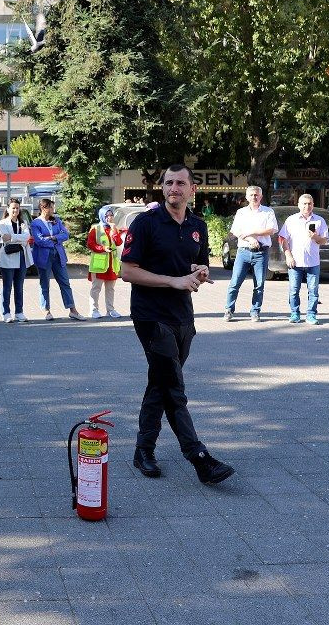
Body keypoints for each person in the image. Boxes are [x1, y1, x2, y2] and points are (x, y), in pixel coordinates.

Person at [121, 163, 235, 485]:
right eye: (169, 183)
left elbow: (200, 264)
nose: (174, 188)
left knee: (160, 383)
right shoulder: (145, 223)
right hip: (150, 316)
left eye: (180, 183)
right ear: (162, 188)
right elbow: (127, 270)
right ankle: (199, 458)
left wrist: (200, 273)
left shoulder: (197, 225)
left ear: (191, 189)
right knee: (173, 386)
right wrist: (173, 281)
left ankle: (143, 450)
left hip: (183, 317)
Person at [223, 185, 278, 323]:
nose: (254, 197)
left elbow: (272, 229)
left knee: (259, 285)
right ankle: (229, 310)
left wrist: (252, 232)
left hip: (261, 252)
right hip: (244, 252)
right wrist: (250, 238)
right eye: (251, 195)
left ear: (261, 196)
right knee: (235, 282)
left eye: (256, 195)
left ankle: (255, 311)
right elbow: (236, 231)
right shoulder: (241, 212)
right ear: (247, 197)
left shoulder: (268, 212)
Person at [30, 199, 86, 321]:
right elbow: (39, 241)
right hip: (44, 257)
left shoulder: (56, 220)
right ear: (44, 208)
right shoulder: (36, 223)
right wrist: (55, 241)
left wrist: (53, 238)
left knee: (65, 282)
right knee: (44, 283)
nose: (53, 210)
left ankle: (73, 310)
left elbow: (65, 235)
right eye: (50, 208)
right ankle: (46, 310)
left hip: (58, 256)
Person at [278, 193, 328, 325]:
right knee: (294, 290)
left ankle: (311, 315)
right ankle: (295, 313)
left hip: (313, 262)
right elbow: (283, 239)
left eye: (309, 203)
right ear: (299, 205)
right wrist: (288, 256)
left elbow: (324, 240)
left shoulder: (319, 221)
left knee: (313, 290)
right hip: (295, 262)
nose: (307, 206)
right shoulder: (291, 220)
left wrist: (315, 237)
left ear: (313, 205)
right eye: (304, 204)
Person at [0, 199, 33, 323]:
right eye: (13, 208)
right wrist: (19, 238)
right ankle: (6, 312)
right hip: (8, 258)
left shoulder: (23, 223)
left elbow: (27, 237)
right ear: (7, 209)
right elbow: (5, 239)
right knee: (7, 286)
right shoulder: (2, 223)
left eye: (17, 208)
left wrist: (12, 237)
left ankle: (19, 312)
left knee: (19, 286)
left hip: (21, 257)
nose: (15, 210)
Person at [86, 205, 123, 318]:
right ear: (102, 216)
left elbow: (118, 243)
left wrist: (114, 230)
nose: (109, 218)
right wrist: (102, 248)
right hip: (99, 264)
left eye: (111, 215)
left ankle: (110, 310)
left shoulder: (114, 228)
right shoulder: (95, 228)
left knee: (110, 288)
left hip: (112, 264)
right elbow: (90, 244)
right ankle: (93, 310)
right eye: (107, 216)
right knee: (96, 288)